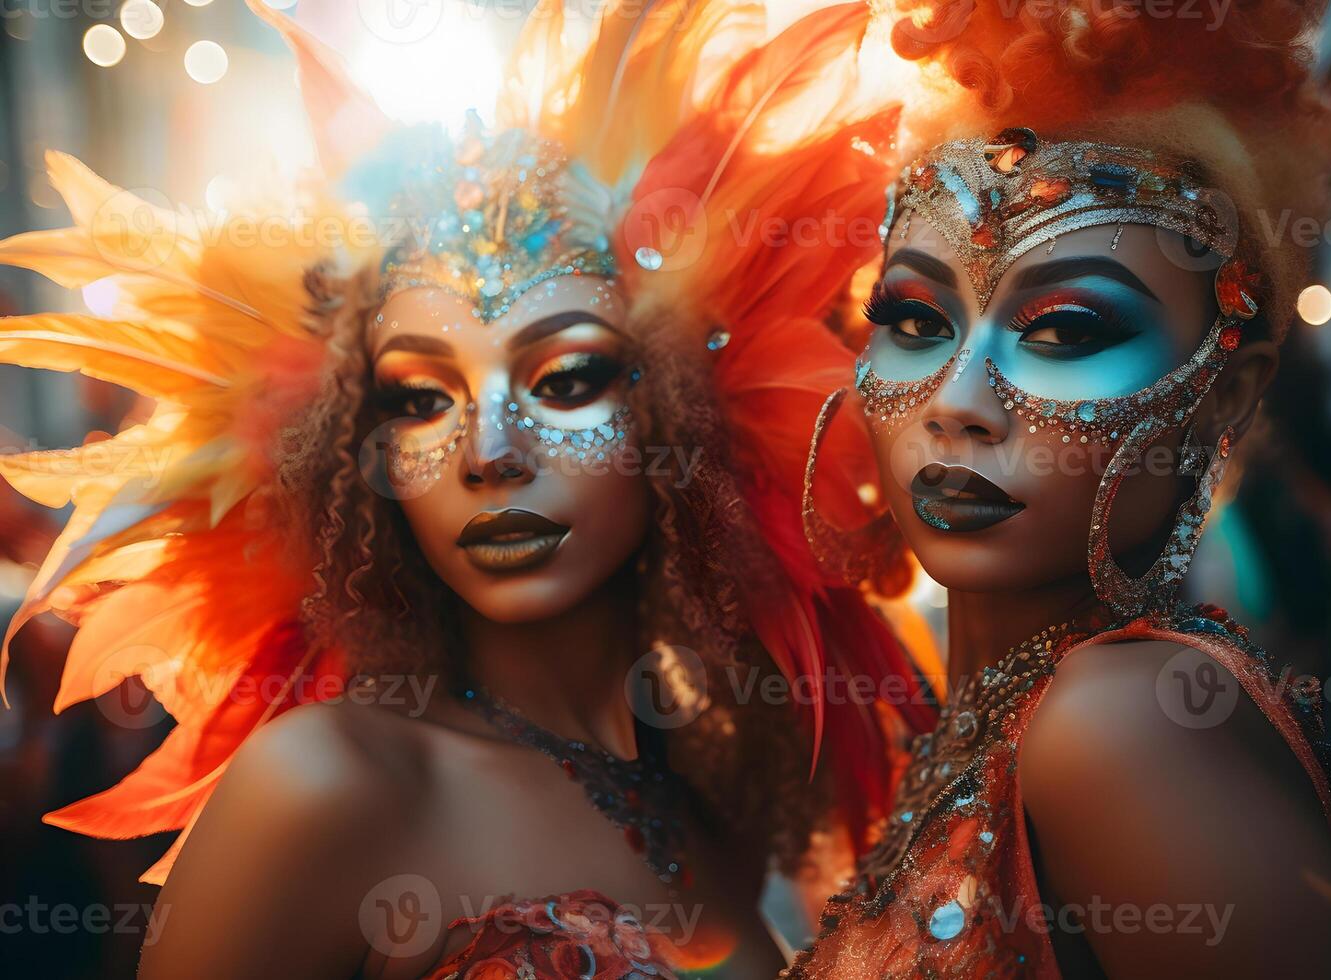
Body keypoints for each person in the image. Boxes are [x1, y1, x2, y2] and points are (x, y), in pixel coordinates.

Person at [0, 2, 930, 976]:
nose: (488, 449)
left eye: (566, 380)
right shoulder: (328, 782)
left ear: (687, 418)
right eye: (420, 397)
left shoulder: (699, 792)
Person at [790, 1, 1331, 976]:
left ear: (1226, 391)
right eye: (912, 316)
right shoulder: (1006, 714)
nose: (959, 401)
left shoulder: (1116, 724)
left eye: (1066, 330)